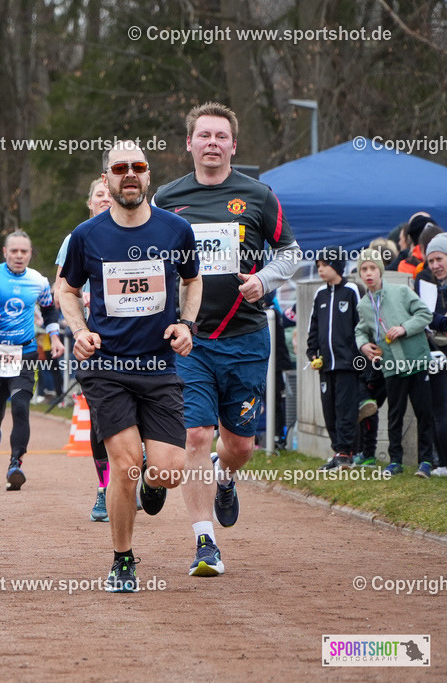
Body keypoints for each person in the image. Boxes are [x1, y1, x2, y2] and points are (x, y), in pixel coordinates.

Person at [154, 102, 302, 576]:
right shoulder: (167, 197)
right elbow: (151, 259)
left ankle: (224, 477)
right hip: (190, 339)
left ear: (233, 145)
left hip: (246, 337)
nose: (212, 143)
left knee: (239, 447)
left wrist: (266, 280)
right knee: (195, 434)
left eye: (221, 136)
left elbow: (291, 252)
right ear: (190, 143)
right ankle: (205, 543)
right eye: (204, 135)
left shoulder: (258, 195)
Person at [59, 141, 201, 593]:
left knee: (168, 471)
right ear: (107, 179)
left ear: (148, 176)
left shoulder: (176, 230)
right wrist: (80, 330)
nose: (129, 175)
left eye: (138, 167)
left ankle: (152, 484)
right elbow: (65, 289)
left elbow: (192, 280)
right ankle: (123, 560)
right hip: (106, 367)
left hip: (159, 366)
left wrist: (186, 324)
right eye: (119, 168)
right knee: (125, 466)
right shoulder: (88, 235)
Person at [0, 230, 63, 490]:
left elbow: (48, 311)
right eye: (13, 251)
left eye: (24, 251)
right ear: (5, 252)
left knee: (21, 406)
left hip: (24, 353)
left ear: (29, 254)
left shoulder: (38, 280)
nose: (19, 256)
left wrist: (55, 337)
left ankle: (16, 463)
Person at [55, 177, 115, 521]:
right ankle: (105, 488)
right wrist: (79, 307)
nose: (105, 200)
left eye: (109, 194)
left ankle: (138, 475)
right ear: (90, 202)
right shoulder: (76, 238)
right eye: (99, 195)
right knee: (100, 420)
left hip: (138, 340)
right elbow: (61, 286)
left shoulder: (141, 229)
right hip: (95, 339)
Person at [355, 249, 435, 477]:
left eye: (372, 268)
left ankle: (426, 461)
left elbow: (424, 314)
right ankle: (395, 460)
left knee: (424, 412)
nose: (369, 273)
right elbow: (361, 329)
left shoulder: (401, 292)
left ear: (380, 270)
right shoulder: (364, 305)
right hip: (391, 367)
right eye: (364, 269)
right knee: (394, 415)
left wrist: (404, 328)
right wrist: (363, 345)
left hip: (417, 362)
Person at [305, 247, 361, 470]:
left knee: (345, 408)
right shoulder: (320, 294)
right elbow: (314, 327)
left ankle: (347, 453)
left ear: (336, 266)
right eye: (318, 265)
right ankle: (338, 451)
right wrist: (312, 353)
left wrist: (359, 357)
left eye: (324, 265)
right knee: (329, 410)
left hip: (348, 364)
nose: (320, 269)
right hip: (325, 365)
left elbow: (361, 324)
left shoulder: (352, 290)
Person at [417, 233, 447, 476]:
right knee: (439, 408)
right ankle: (444, 463)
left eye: (440, 259)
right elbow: (426, 319)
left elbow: (433, 319)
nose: (435, 266)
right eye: (431, 261)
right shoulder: (431, 288)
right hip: (437, 356)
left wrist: (438, 321)